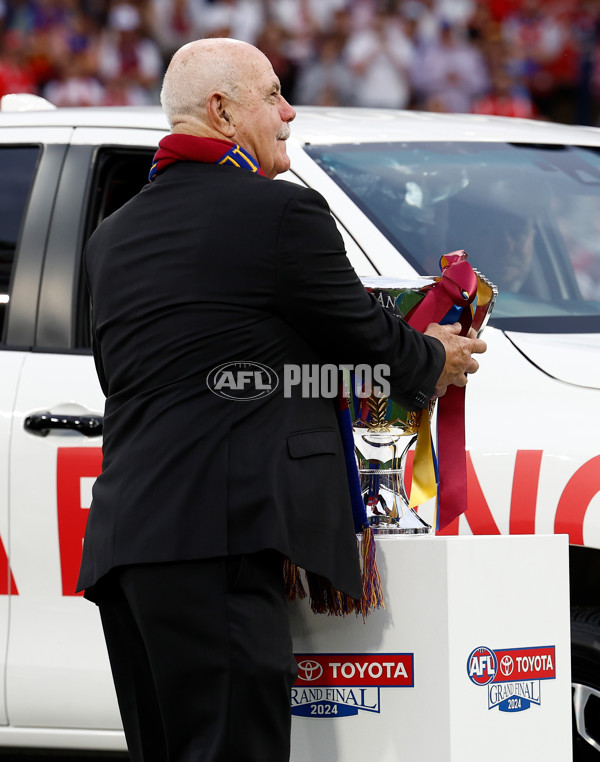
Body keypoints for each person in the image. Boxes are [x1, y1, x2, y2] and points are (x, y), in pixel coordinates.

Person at [76, 37, 486, 762]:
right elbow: (366, 338)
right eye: (272, 95)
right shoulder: (280, 214)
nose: (290, 111)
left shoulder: (113, 235)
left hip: (126, 545)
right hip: (218, 542)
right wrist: (437, 356)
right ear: (222, 111)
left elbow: (135, 375)